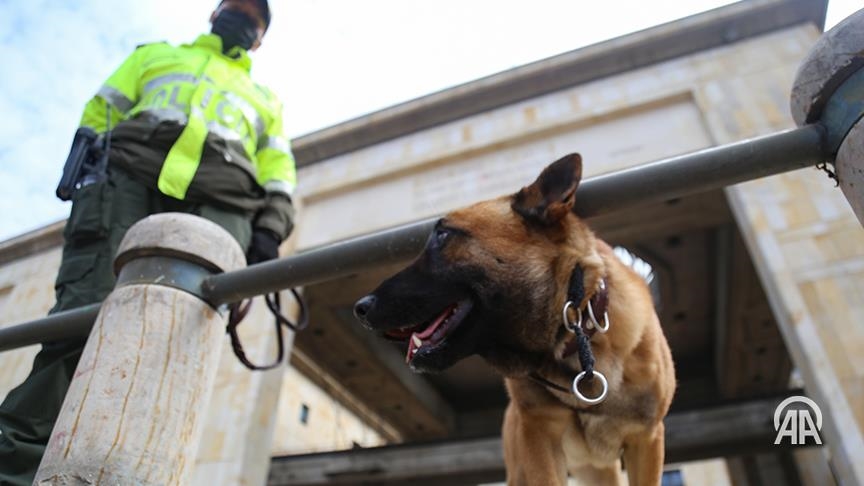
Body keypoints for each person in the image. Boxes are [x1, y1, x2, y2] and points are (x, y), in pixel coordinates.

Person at [0, 1, 296, 483]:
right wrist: (82, 161)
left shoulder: (266, 99)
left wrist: (270, 229)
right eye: (233, 8)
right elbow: (101, 109)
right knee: (80, 321)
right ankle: (12, 470)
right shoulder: (153, 55)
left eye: (252, 16)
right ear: (213, 15)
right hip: (127, 177)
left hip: (223, 197)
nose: (241, 17)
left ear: (260, 38)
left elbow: (279, 170)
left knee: (180, 346)